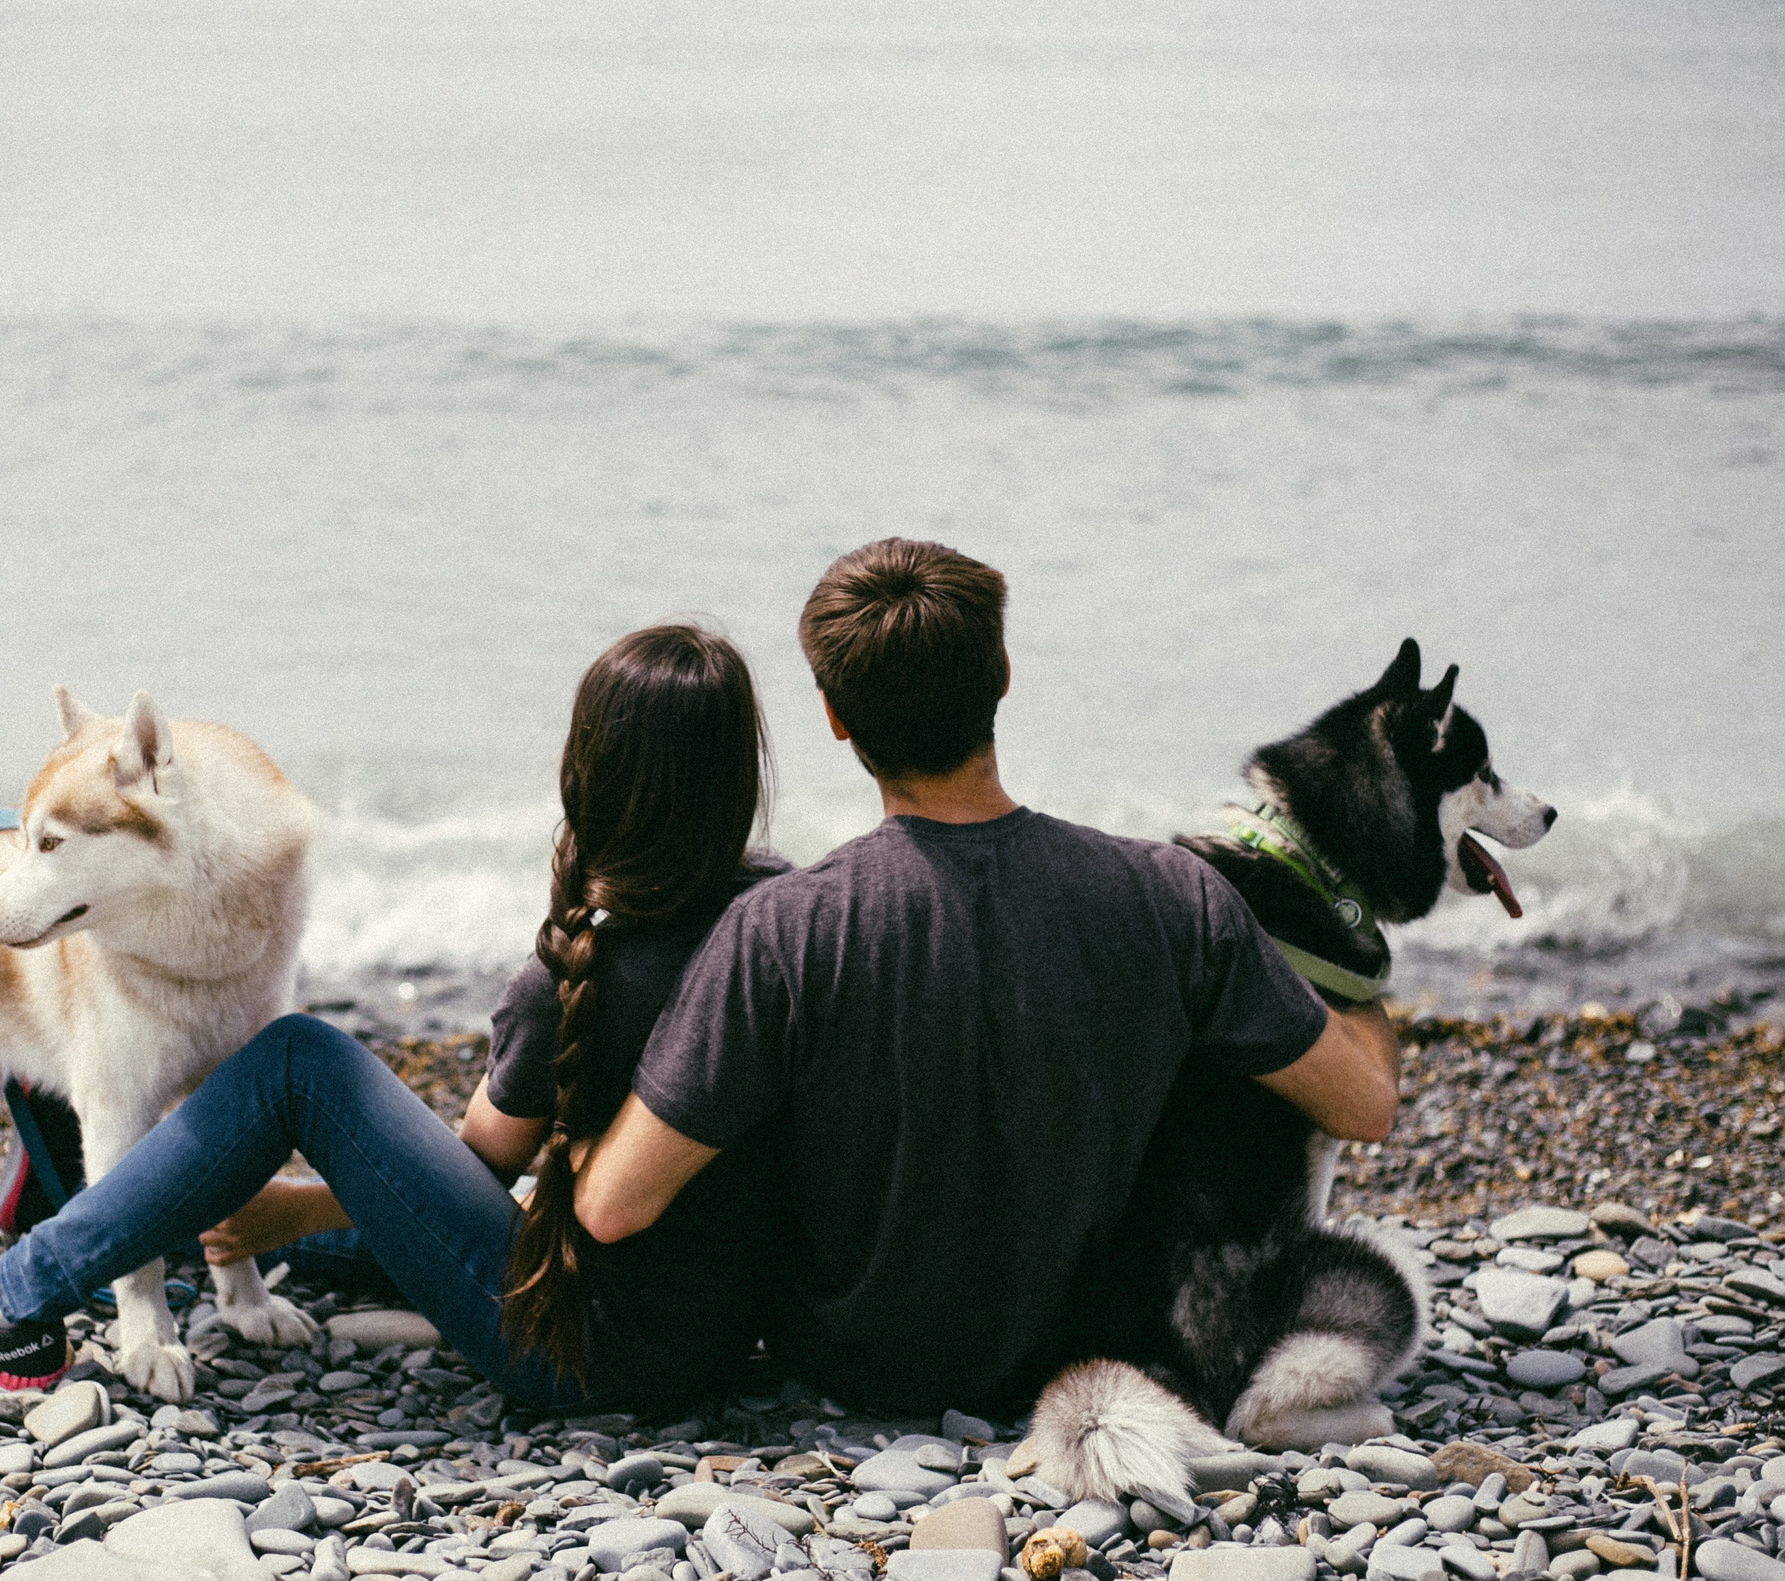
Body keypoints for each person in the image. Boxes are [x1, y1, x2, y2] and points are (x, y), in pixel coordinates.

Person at [0, 622, 787, 1406]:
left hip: (576, 1352)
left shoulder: (583, 971)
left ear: (586, 773)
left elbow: (489, 1157)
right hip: (731, 1335)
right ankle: (125, 1211)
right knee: (308, 1203)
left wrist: (300, 1204)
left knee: (298, 1058)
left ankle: (6, 1301)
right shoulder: (791, 919)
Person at [563, 538, 1401, 1416]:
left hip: (855, 1366)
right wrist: (1361, 970)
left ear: (835, 716)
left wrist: (574, 1146)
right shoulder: (1172, 895)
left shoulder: (784, 929)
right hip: (1082, 1354)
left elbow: (614, 1205)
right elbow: (1364, 1105)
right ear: (1002, 672)